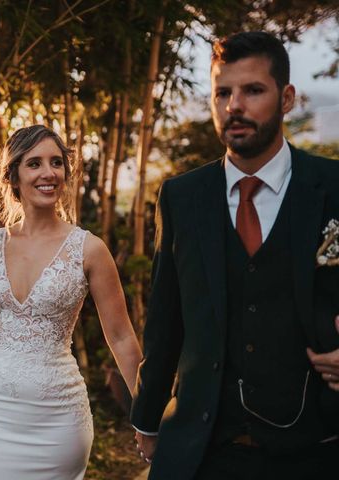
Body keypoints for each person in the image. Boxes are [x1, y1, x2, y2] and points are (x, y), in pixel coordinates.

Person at [130, 31, 339, 479]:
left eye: (252, 91)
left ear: (286, 98)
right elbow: (165, 322)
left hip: (315, 447)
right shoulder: (181, 197)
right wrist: (147, 418)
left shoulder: (333, 187)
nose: (233, 106)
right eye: (222, 92)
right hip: (205, 450)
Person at [0, 125, 142, 479]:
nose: (49, 173)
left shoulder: (90, 249)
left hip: (57, 419)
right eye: (34, 163)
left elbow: (122, 337)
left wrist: (147, 415)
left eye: (56, 163)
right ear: (13, 176)